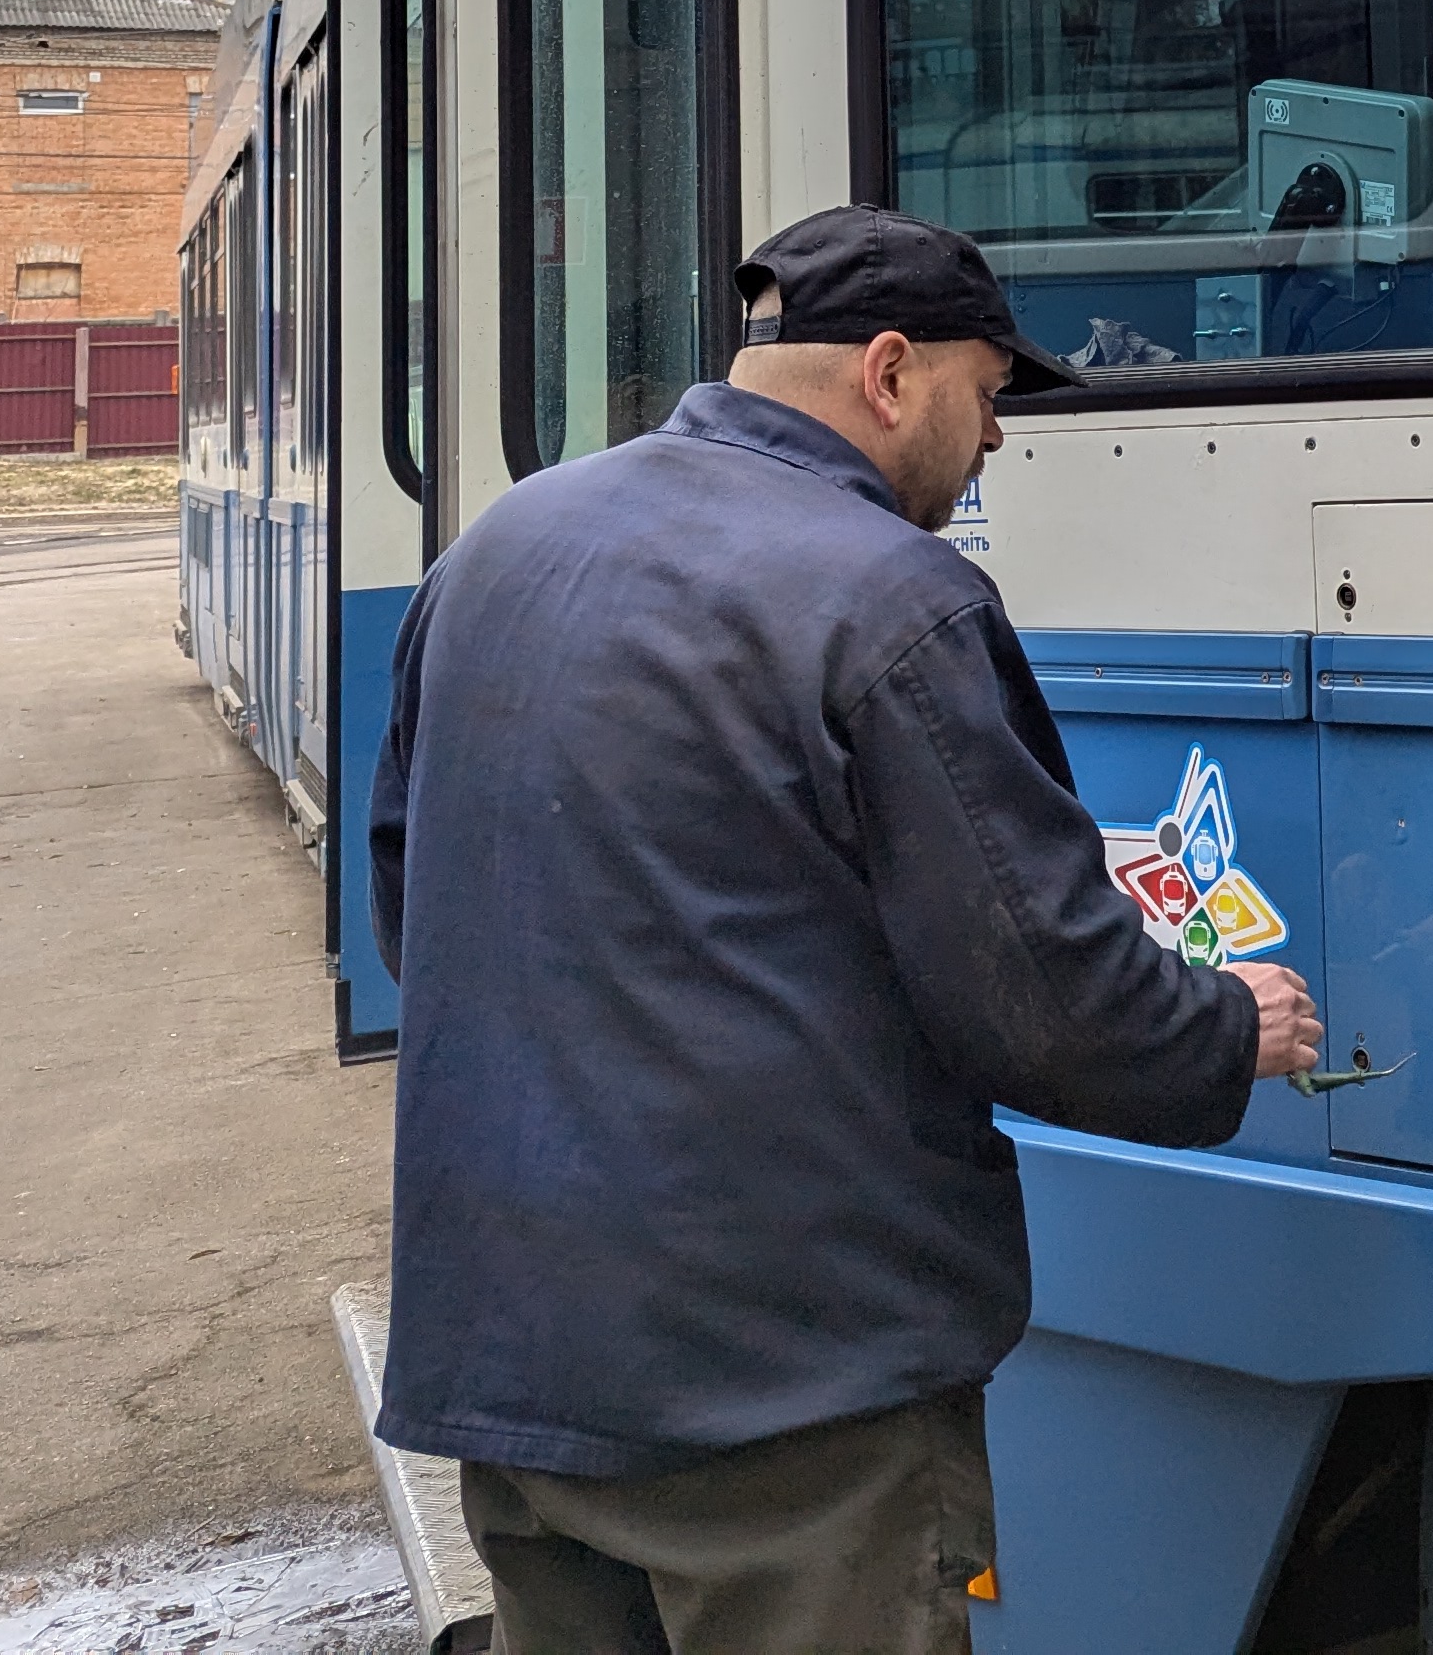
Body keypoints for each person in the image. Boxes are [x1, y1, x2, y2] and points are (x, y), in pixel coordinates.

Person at [370, 205, 1323, 1654]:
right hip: (786, 1398)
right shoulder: (893, 599)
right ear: (891, 372)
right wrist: (1220, 1025)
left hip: (514, 1362)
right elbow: (1037, 991)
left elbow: (414, 901)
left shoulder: (501, 545)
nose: (994, 442)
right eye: (990, 396)